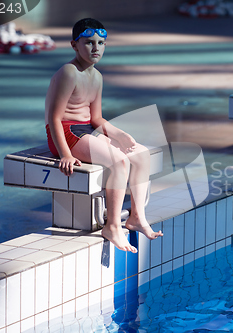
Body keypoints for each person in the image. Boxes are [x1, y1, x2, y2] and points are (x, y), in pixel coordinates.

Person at [44, 18, 162, 252]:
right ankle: (112, 227)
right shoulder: (69, 72)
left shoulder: (96, 76)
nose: (96, 48)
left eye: (101, 43)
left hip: (86, 130)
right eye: (89, 42)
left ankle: (137, 217)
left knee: (141, 154)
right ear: (74, 45)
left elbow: (96, 119)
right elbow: (54, 118)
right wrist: (65, 155)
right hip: (65, 133)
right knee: (119, 163)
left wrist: (118, 134)